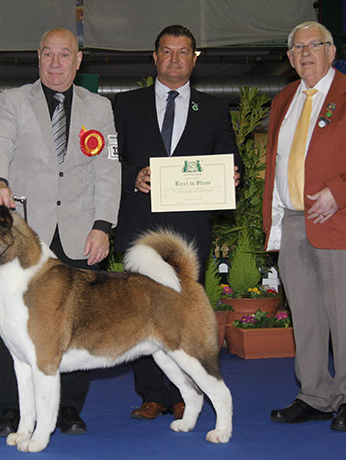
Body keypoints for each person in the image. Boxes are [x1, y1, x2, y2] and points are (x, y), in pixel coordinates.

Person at [0, 28, 121, 437]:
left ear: (79, 61)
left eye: (64, 55)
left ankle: (68, 410)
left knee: (76, 325)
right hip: (25, 236)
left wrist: (102, 226)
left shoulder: (101, 108)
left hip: (79, 230)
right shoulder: (12, 100)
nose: (55, 63)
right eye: (48, 55)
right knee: (15, 324)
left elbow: (109, 169)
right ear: (38, 58)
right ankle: (11, 410)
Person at [114, 24, 243, 421]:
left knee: (183, 310)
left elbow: (230, 159)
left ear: (194, 59)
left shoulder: (216, 109)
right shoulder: (123, 105)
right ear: (154, 58)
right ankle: (152, 394)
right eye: (167, 52)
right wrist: (131, 175)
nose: (175, 59)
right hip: (140, 222)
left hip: (190, 231)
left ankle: (184, 392)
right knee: (140, 308)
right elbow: (105, 160)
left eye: (183, 52)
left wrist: (233, 174)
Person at [263, 21, 346, 431]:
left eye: (316, 44)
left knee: (343, 315)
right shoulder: (283, 99)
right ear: (291, 58)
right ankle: (315, 394)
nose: (306, 52)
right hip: (293, 223)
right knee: (307, 317)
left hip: (338, 220)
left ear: (332, 52)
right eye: (298, 47)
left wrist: (339, 192)